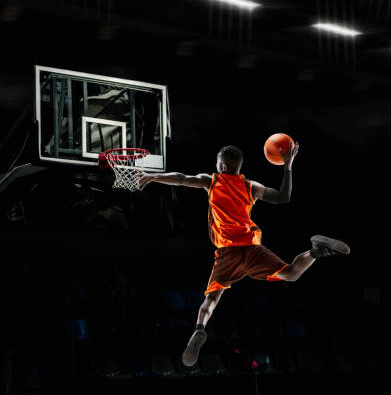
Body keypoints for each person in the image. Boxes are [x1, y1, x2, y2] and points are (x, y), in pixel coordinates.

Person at [138, 142, 349, 367]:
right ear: (239, 166)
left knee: (211, 299)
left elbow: (180, 178)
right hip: (251, 247)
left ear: (221, 164)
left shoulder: (211, 181)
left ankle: (200, 328)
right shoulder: (251, 186)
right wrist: (288, 166)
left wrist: (152, 178)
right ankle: (316, 250)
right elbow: (282, 197)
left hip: (227, 253)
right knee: (291, 274)